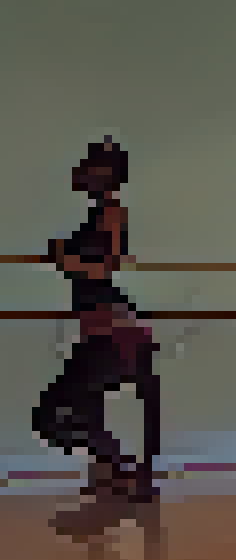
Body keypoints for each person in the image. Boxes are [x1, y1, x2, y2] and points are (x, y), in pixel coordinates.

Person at [35, 138, 162, 505]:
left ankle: (124, 472)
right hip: (101, 327)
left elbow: (108, 265)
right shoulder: (99, 213)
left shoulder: (111, 211)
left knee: (55, 413)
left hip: (112, 328)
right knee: (67, 411)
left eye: (92, 167)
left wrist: (65, 260)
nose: (84, 173)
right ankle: (119, 472)